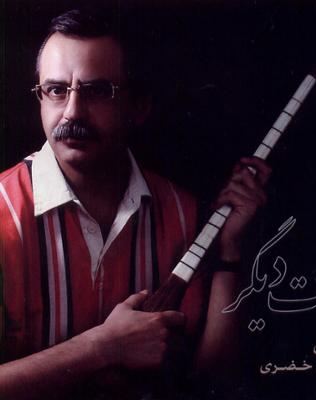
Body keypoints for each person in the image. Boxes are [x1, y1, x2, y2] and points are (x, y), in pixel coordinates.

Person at [0, 8, 270, 400]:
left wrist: (229, 249)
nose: (72, 112)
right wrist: (102, 347)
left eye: (97, 91)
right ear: (40, 98)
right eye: (56, 90)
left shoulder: (183, 213)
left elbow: (213, 383)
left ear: (138, 106)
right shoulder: (3, 213)